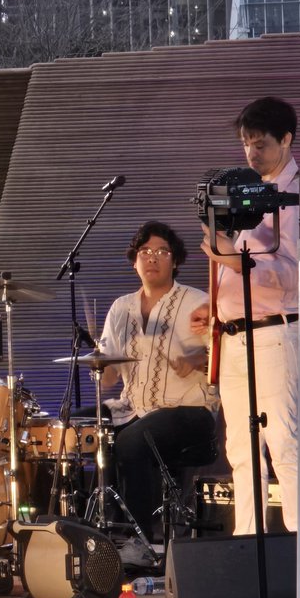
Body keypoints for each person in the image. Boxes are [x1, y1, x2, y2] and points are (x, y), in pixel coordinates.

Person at [191, 96, 300, 554]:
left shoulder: (296, 194)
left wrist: (226, 253)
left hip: (275, 331)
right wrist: (217, 304)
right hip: (236, 334)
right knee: (241, 451)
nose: (251, 154)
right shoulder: (249, 190)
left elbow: (289, 274)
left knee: (283, 442)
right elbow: (241, 267)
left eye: (260, 143)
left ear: (286, 139)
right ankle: (247, 551)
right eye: (246, 144)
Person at [99, 221, 218, 545]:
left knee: (133, 441)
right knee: (81, 428)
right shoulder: (121, 308)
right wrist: (99, 365)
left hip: (190, 410)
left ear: (175, 260)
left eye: (161, 251)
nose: (152, 258)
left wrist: (197, 360)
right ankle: (103, 532)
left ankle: (144, 541)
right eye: (145, 252)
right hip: (133, 407)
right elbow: (107, 374)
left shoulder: (198, 302)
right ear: (135, 260)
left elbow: (229, 351)